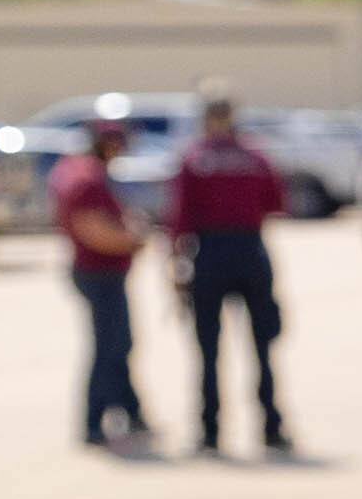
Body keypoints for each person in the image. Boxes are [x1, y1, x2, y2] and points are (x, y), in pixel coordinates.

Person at [167, 78, 297, 456]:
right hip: (249, 250)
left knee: (208, 349)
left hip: (209, 252)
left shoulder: (194, 158)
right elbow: (276, 202)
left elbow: (179, 219)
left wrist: (175, 267)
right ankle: (271, 425)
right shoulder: (255, 156)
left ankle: (209, 431)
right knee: (261, 346)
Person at [52, 100, 153, 451]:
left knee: (120, 343)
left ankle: (131, 411)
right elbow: (91, 228)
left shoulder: (84, 171)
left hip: (99, 272)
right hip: (99, 273)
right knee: (108, 348)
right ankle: (93, 422)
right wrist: (132, 240)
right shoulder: (87, 178)